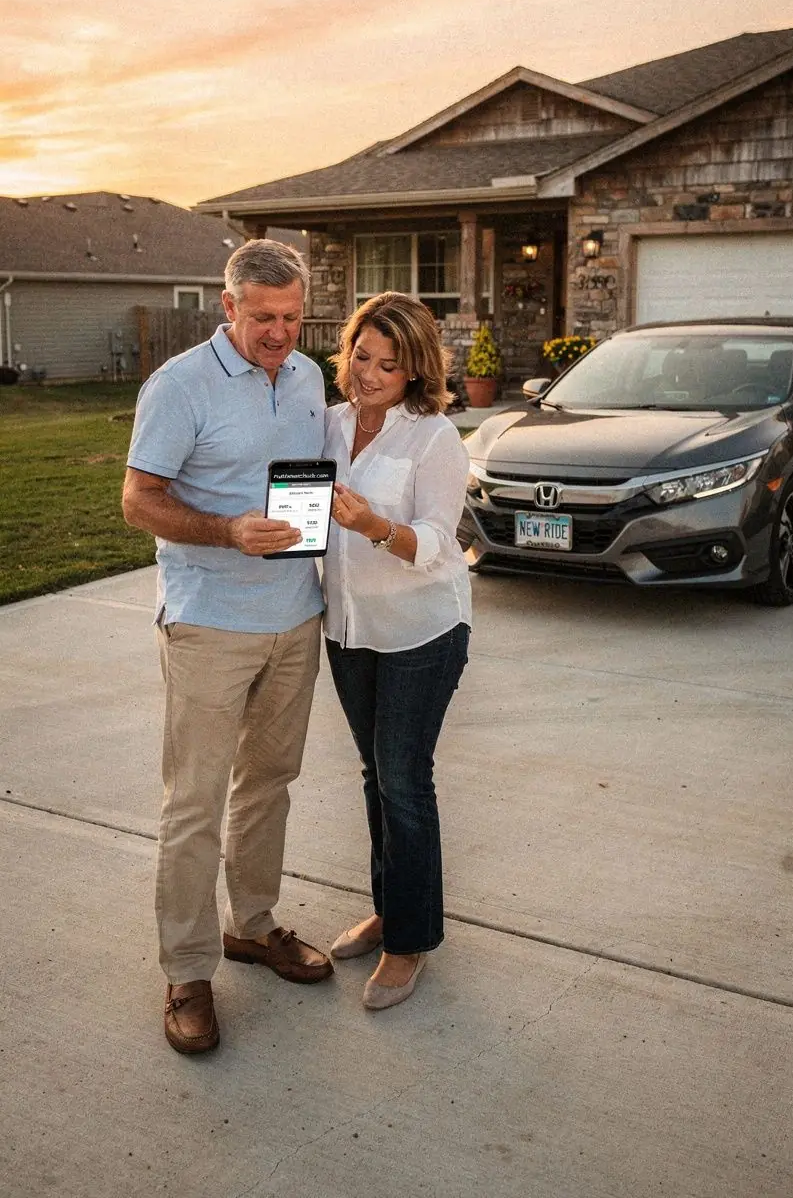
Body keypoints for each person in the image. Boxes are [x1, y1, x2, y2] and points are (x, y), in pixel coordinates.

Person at [122, 239, 333, 1056]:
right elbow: (138, 500)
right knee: (194, 802)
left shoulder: (309, 376)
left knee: (270, 783)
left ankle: (253, 926)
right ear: (228, 306)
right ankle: (186, 968)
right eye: (263, 318)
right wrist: (223, 530)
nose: (280, 333)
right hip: (210, 623)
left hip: (295, 616)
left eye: (292, 317)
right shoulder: (179, 386)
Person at [322, 292, 471, 1010]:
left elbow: (438, 541)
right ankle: (392, 909)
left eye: (388, 363)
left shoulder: (434, 437)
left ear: (415, 370)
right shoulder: (330, 424)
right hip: (348, 629)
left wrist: (377, 524)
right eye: (361, 355)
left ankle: (410, 942)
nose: (369, 373)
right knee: (373, 775)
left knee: (404, 778)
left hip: (422, 631)